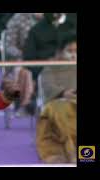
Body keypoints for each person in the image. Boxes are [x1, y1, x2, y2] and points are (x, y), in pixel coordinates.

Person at [36, 33, 77, 163]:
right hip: (57, 104)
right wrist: (63, 93)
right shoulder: (52, 66)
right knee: (60, 109)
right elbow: (47, 85)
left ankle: (83, 154)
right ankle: (71, 150)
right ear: (60, 52)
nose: (73, 54)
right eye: (69, 51)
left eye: (76, 51)